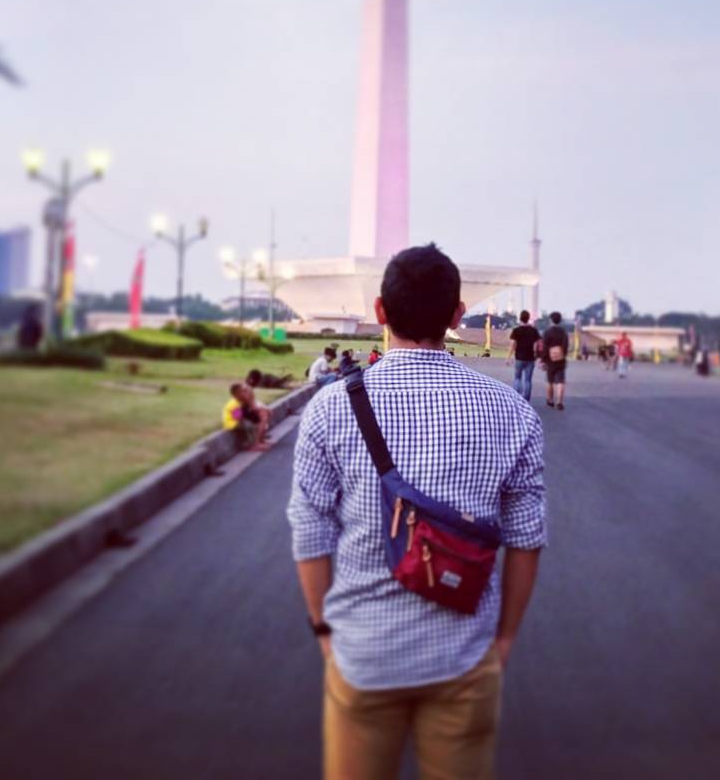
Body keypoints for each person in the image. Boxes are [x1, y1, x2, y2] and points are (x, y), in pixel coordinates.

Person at [288, 244, 545, 780]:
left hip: (364, 656)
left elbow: (310, 532)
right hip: (463, 657)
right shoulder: (512, 412)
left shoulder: (331, 407)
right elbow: (526, 540)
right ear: (457, 316)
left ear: (381, 311)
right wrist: (504, 641)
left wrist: (325, 634)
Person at [505, 309, 541, 402]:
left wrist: (508, 357)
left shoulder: (516, 330)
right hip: (530, 358)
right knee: (528, 380)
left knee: (517, 378)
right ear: (528, 318)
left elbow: (513, 345)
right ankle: (526, 400)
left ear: (520, 318)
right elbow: (536, 345)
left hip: (519, 357)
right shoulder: (533, 330)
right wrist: (536, 355)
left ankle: (517, 398)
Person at [222, 382, 270, 451]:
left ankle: (260, 441)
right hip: (232, 422)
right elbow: (237, 417)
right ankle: (254, 445)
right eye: (242, 391)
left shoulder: (241, 401)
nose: (245, 393)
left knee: (254, 423)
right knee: (249, 426)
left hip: (239, 420)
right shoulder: (234, 404)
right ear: (236, 394)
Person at [542, 312, 570, 410]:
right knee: (560, 381)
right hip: (561, 359)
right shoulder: (563, 332)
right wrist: (563, 355)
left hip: (550, 360)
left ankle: (550, 400)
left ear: (551, 320)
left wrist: (544, 360)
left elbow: (544, 347)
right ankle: (559, 401)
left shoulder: (547, 332)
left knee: (550, 381)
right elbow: (566, 345)